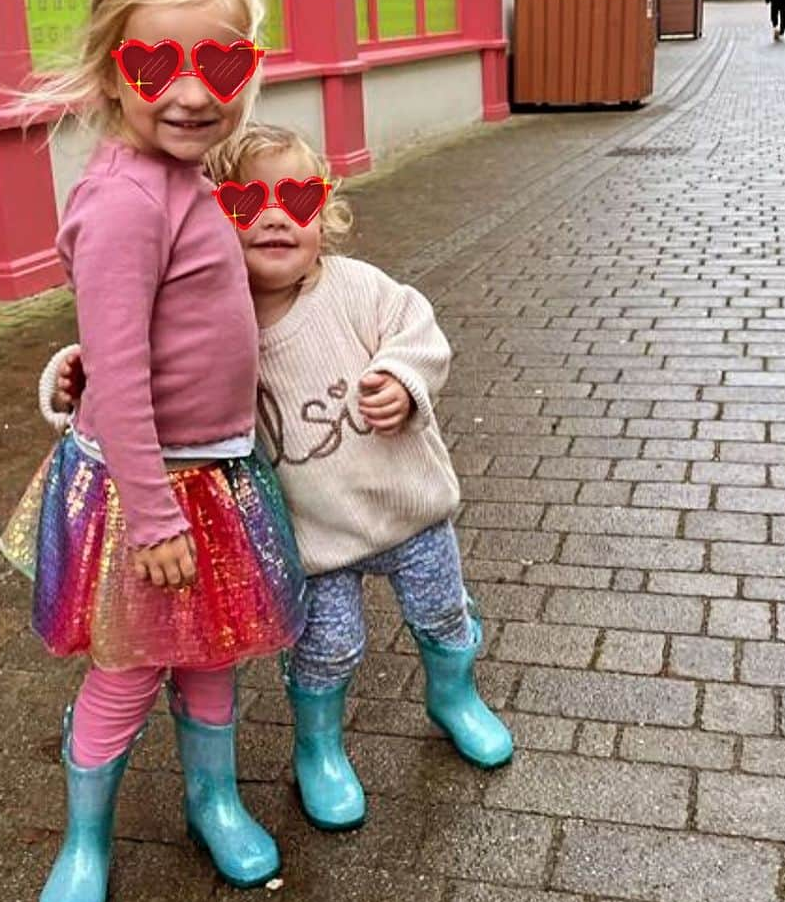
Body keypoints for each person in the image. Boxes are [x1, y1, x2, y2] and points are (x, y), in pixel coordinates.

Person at [44, 123, 514, 836]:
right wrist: (73, 376)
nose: (274, 215)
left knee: (442, 612)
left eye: (296, 197)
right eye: (246, 200)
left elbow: (418, 326)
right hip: (317, 540)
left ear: (324, 215)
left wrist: (404, 376)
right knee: (328, 647)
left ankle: (455, 697)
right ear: (212, 222)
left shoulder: (356, 289)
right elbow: (139, 365)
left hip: (412, 514)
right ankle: (319, 748)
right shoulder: (215, 318)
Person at [0, 0, 307, 902]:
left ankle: (212, 801)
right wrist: (151, 514)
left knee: (213, 653)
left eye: (220, 58)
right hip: (155, 494)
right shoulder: (129, 198)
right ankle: (83, 841)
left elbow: (164, 329)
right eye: (153, 60)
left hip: (209, 478)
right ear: (110, 65)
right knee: (129, 668)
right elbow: (123, 370)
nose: (190, 89)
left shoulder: (185, 180)